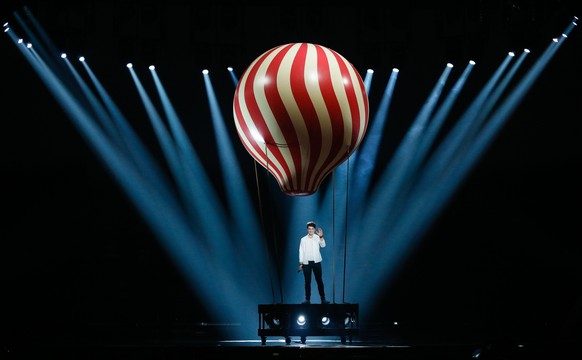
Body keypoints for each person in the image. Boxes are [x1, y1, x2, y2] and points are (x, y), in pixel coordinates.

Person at [298, 221, 330, 304]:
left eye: (312, 229)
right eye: (309, 229)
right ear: (307, 229)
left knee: (319, 280)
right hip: (306, 263)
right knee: (307, 282)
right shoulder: (303, 239)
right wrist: (301, 263)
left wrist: (321, 237)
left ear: (314, 229)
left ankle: (323, 299)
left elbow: (323, 245)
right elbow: (301, 251)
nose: (311, 230)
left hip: (316, 262)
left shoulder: (317, 237)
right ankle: (307, 300)